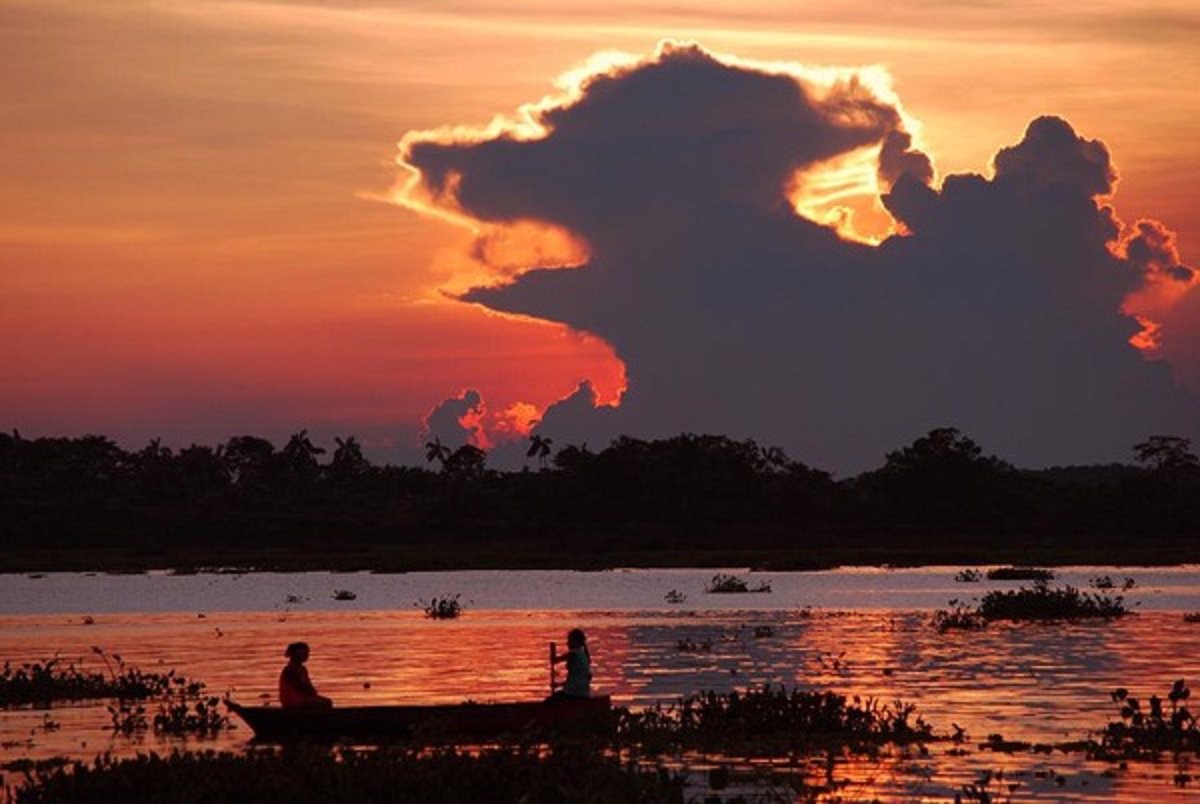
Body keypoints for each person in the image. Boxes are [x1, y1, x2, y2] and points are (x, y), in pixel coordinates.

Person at [279, 641, 333, 709]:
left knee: (327, 701)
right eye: (305, 652)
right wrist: (313, 696)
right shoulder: (290, 669)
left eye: (308, 652)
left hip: (302, 698)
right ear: (297, 654)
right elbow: (301, 687)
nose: (307, 655)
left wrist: (314, 695)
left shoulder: (303, 669)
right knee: (325, 703)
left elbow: (308, 686)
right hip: (293, 700)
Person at [549, 628, 592, 700]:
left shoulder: (576, 653)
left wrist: (555, 659)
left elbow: (567, 656)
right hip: (582, 693)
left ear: (577, 642)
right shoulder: (583, 655)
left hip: (575, 694)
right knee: (556, 696)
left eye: (570, 640)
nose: (567, 643)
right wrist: (558, 685)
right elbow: (575, 680)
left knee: (551, 701)